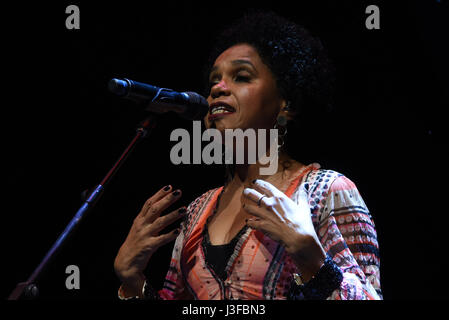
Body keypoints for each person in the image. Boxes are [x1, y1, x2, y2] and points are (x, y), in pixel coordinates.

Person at [113, 11, 382, 300]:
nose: (218, 88)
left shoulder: (326, 191)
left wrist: (309, 256)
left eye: (241, 77)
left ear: (285, 104)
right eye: (214, 80)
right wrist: (132, 281)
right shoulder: (196, 212)